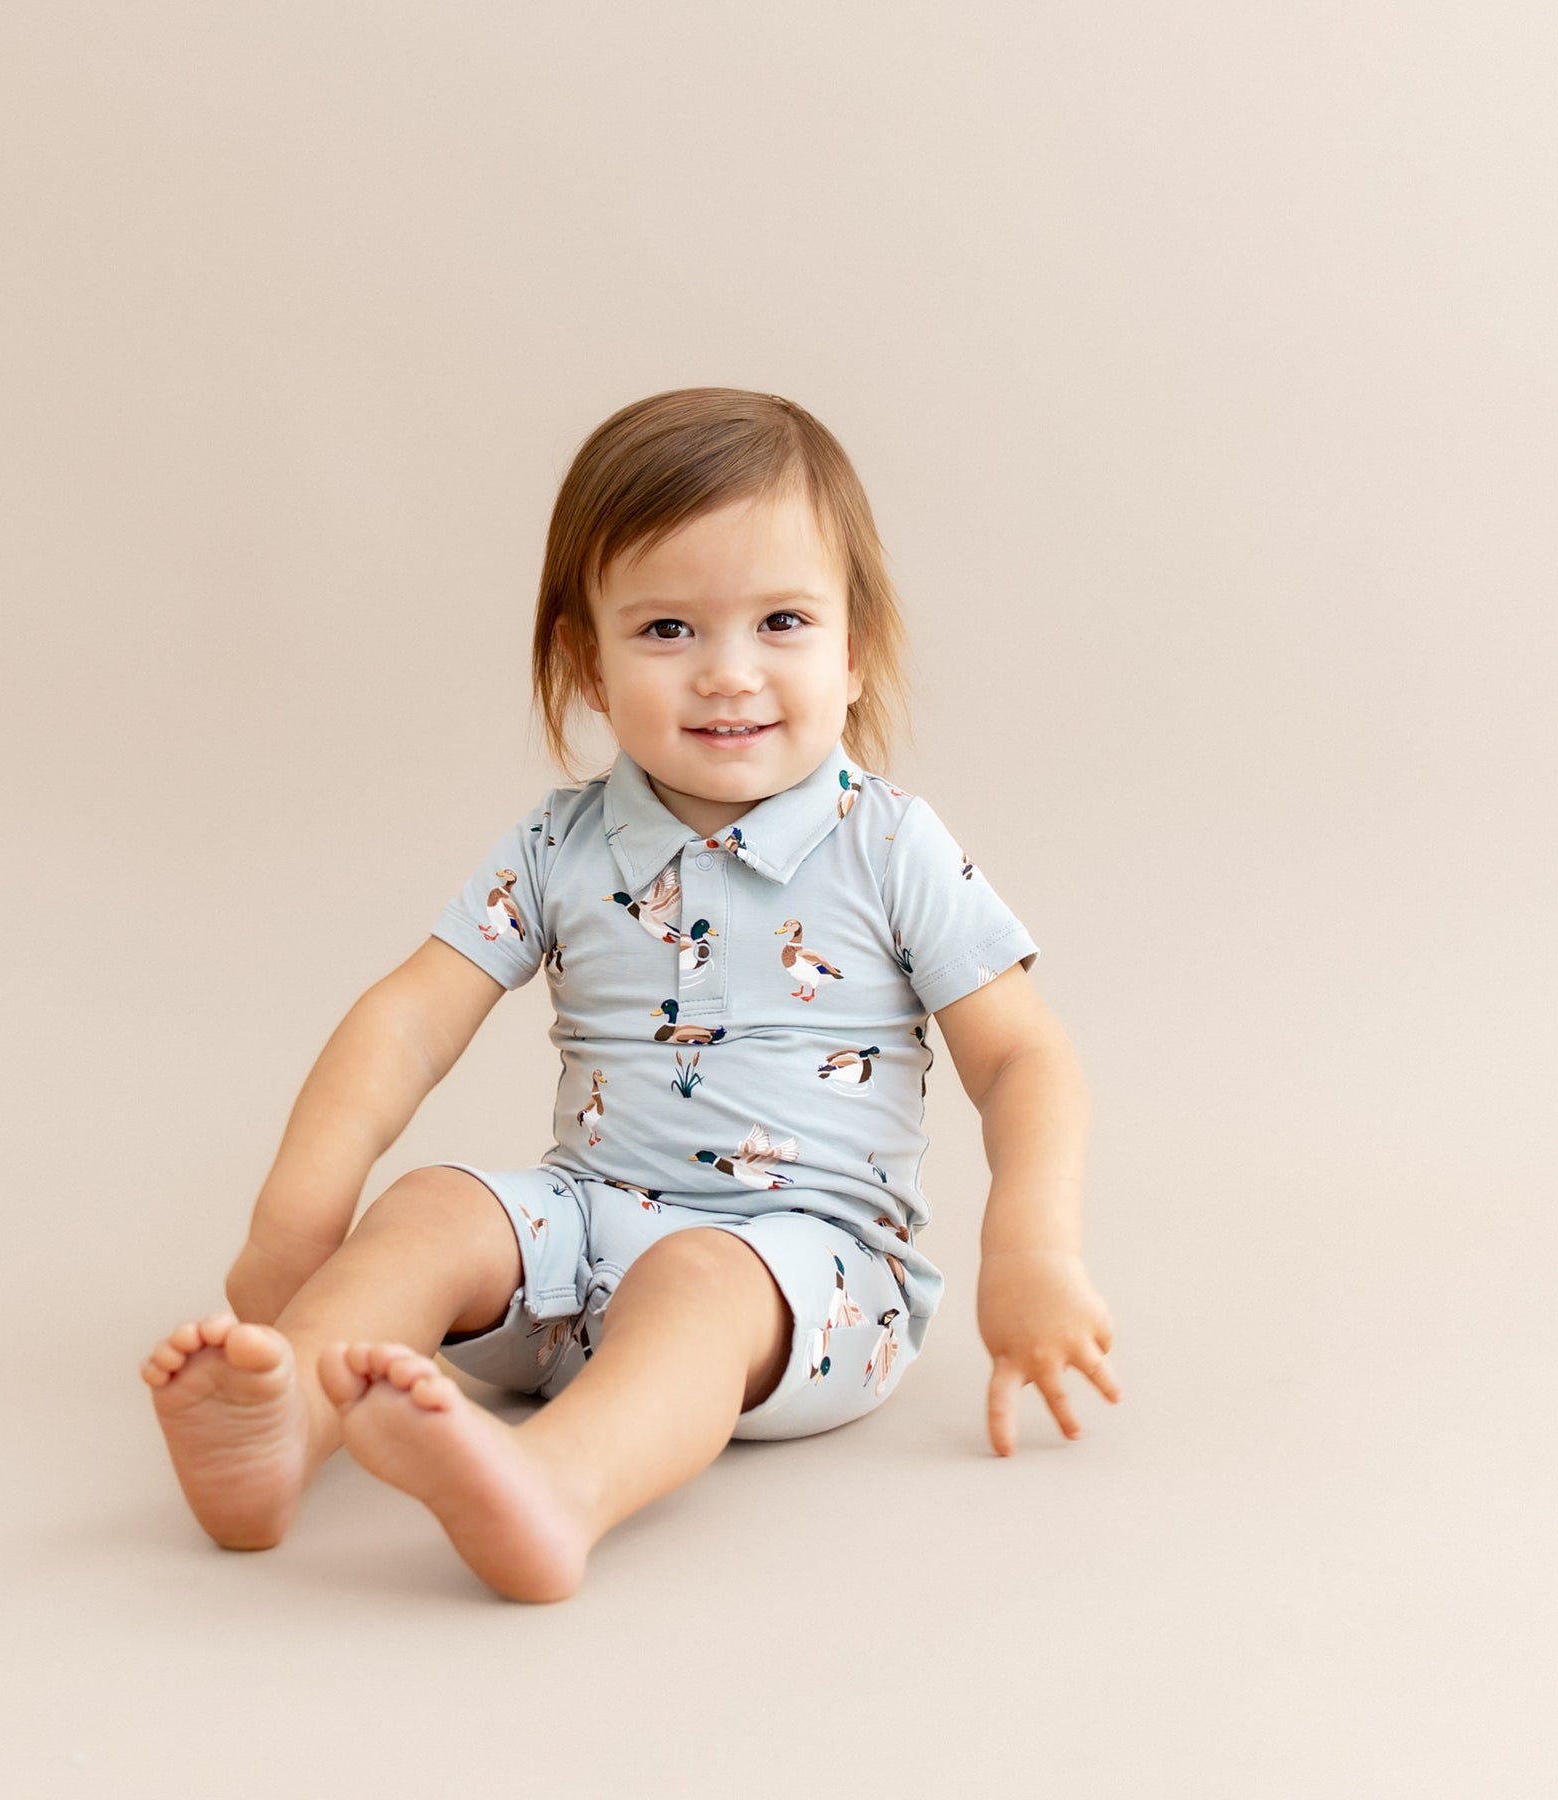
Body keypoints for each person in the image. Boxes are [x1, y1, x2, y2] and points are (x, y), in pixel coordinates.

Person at [140, 387, 1121, 1603]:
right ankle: (288, 1413)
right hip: (584, 1237)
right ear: (584, 663)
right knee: (433, 1204)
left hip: (802, 1279)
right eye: (666, 629)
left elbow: (1024, 1057)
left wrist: (1030, 1247)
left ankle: (559, 1485)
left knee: (697, 1282)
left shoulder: (890, 847)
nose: (727, 673)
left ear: (854, 650)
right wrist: (299, 1216)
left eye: (782, 621)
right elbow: (407, 1020)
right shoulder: (562, 846)